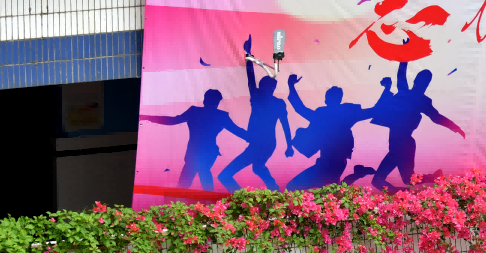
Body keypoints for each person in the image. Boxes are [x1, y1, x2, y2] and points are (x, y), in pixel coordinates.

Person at [366, 61, 465, 190]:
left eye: (425, 82)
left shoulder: (418, 99)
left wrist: (455, 127)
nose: (423, 84)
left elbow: (436, 117)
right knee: (401, 179)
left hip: (402, 144)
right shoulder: (409, 95)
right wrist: (404, 60)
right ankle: (430, 179)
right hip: (400, 143)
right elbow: (401, 76)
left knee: (386, 180)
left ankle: (405, 193)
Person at [218, 36, 294, 192]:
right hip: (266, 143)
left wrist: (289, 146)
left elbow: (285, 125)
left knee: (225, 175)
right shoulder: (265, 99)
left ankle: (245, 199)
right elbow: (250, 76)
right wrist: (248, 54)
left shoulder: (262, 98)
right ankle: (275, 192)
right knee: (258, 167)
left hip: (261, 143)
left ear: (269, 88)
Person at [140, 89, 248, 192]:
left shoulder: (202, 113)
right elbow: (238, 131)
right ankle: (206, 200)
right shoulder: (215, 115)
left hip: (202, 152)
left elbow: (172, 120)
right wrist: (148, 117)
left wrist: (148, 117)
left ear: (206, 100)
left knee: (195, 178)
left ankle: (206, 200)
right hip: (201, 152)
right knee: (194, 179)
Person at [285, 75, 376, 189]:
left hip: (333, 163)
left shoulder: (323, 115)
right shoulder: (343, 114)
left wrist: (291, 86)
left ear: (327, 100)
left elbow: (300, 108)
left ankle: (357, 174)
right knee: (333, 189)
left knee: (331, 189)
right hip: (327, 162)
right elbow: (371, 112)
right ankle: (358, 174)